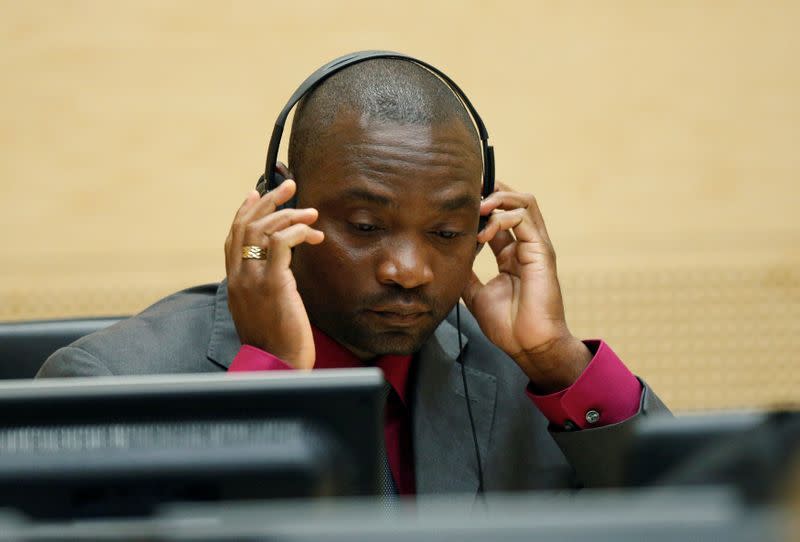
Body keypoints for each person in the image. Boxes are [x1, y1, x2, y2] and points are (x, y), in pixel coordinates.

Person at [38, 57, 669, 495]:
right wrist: (267, 378)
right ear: (280, 213)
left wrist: (557, 360)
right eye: (366, 227)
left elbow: (699, 513)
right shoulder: (106, 388)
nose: (409, 271)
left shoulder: (526, 382)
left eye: (447, 234)